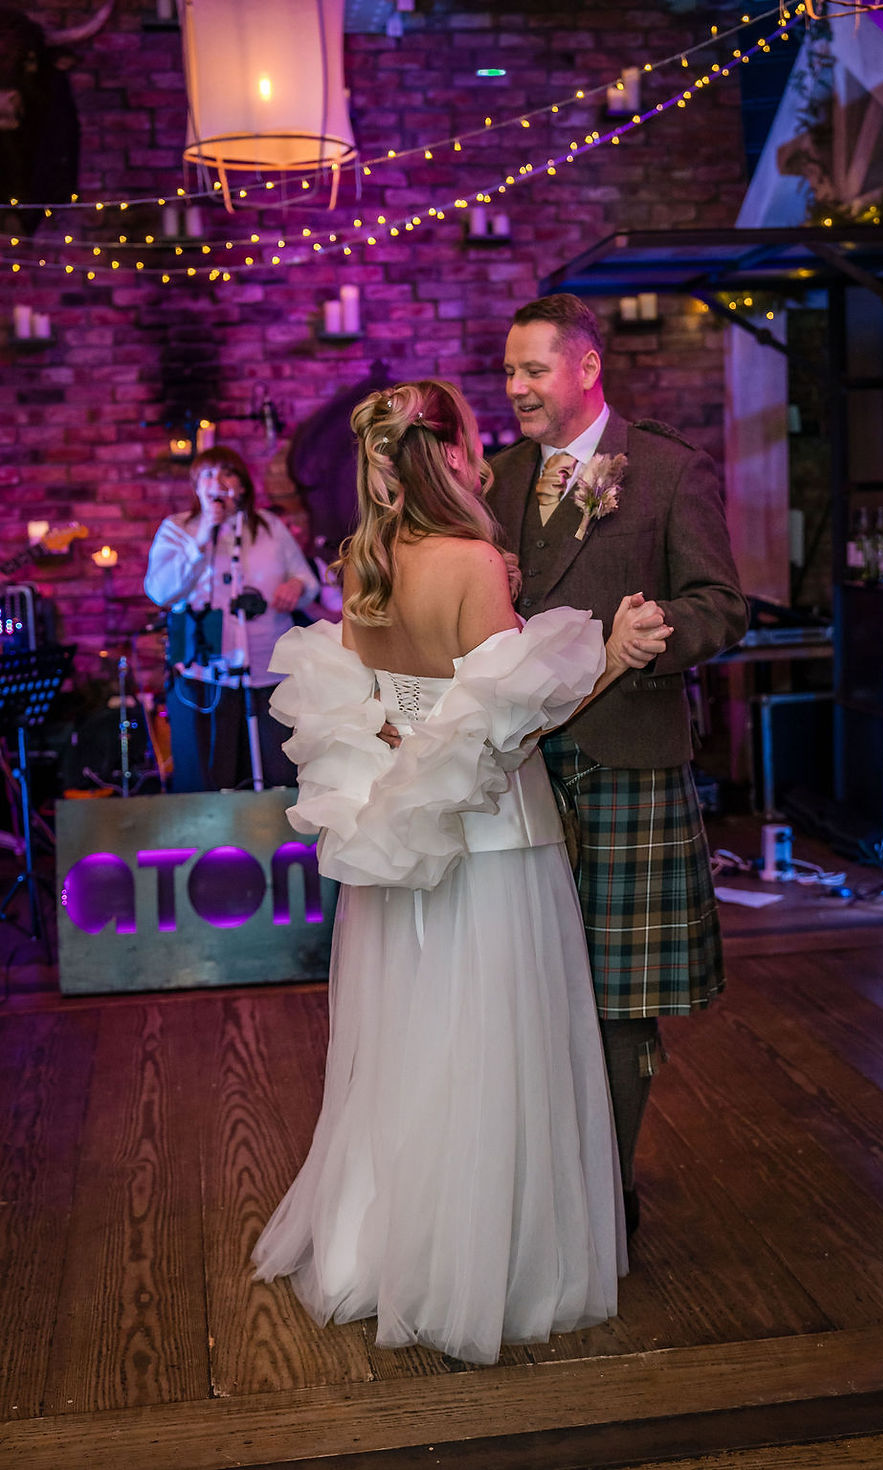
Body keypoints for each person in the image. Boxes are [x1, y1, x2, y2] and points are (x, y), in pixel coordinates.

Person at [250, 379, 670, 1365]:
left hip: (400, 851)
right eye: (475, 437)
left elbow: (390, 713)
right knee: (492, 1051)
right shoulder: (472, 563)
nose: (487, 454)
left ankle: (381, 1248)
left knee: (407, 1053)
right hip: (493, 846)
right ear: (446, 454)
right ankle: (495, 1266)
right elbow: (516, 718)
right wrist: (608, 651)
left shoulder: (368, 564)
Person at [488, 293, 749, 1232]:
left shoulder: (671, 470)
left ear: (586, 368)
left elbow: (725, 603)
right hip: (521, 765)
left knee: (617, 992)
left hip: (629, 758)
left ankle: (607, 1193)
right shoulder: (496, 477)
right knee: (524, 982)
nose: (514, 387)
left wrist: (661, 630)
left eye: (532, 370)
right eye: (508, 370)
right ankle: (537, 1180)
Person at [144, 446, 319, 792]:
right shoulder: (177, 529)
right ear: (196, 486)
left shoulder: (268, 527)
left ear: (241, 485)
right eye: (207, 475)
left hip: (269, 670)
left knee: (279, 773)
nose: (217, 482)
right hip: (206, 673)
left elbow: (308, 581)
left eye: (226, 473)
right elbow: (160, 592)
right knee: (213, 776)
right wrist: (203, 534)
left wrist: (296, 586)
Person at [268, 502, 344, 624]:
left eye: (294, 524)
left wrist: (306, 601)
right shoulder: (258, 571)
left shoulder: (316, 564)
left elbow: (339, 617)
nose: (298, 530)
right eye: (288, 527)